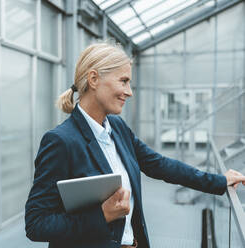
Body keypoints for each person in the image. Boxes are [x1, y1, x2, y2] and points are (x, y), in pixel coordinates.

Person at [25, 42, 245, 248]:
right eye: (123, 81)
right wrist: (101, 215)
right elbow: (36, 224)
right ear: (93, 79)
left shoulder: (117, 128)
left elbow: (160, 164)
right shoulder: (61, 141)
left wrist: (218, 181)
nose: (129, 92)